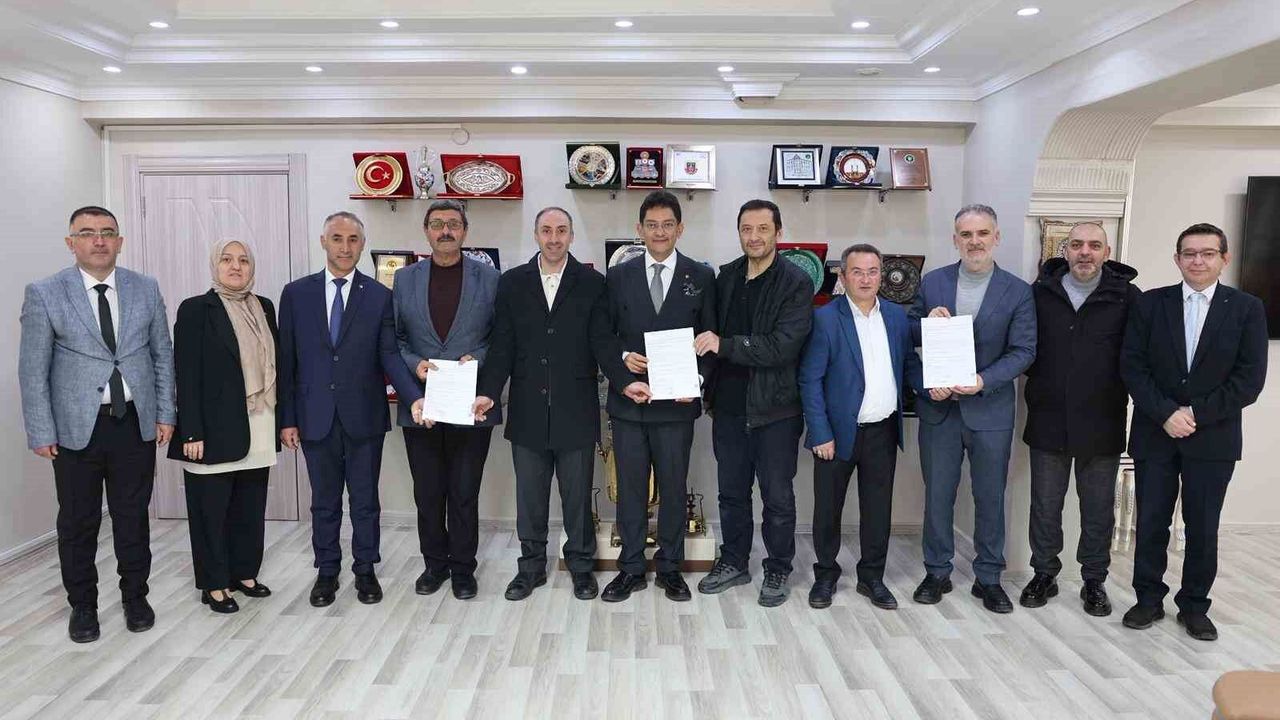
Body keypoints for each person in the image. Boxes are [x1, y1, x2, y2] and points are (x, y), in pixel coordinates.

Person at [474, 207, 648, 602]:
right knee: (530, 500)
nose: (554, 238)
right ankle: (531, 568)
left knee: (577, 498)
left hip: (576, 410)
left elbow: (602, 341)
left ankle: (581, 568)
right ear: (536, 234)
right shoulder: (512, 283)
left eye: (562, 231)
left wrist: (625, 382)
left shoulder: (592, 283)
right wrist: (488, 391)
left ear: (571, 236)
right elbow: (502, 345)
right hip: (528, 411)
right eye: (547, 231)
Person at [19, 205, 175, 642]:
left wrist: (165, 412)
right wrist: (41, 430)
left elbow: (162, 354)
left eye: (107, 232)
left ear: (120, 241)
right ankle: (83, 606)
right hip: (74, 431)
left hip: (133, 424)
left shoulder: (145, 288)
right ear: (71, 243)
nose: (99, 240)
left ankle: (135, 597)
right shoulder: (46, 293)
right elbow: (32, 369)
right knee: (78, 522)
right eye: (87, 233)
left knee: (132, 518)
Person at [1120, 222, 1268, 641]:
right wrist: (1166, 413)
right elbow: (1132, 366)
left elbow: (1249, 380)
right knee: (1151, 521)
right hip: (1155, 432)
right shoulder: (1150, 304)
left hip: (1214, 438)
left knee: (1202, 527)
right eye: (1189, 253)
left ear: (1224, 258)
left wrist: (1195, 414)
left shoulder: (1246, 309)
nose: (1197, 261)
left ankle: (1194, 605)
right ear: (1177, 259)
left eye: (1207, 253)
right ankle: (1148, 599)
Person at [277, 211, 421, 608]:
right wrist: (287, 419)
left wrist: (415, 397)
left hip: (364, 416)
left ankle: (365, 568)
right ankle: (327, 570)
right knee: (323, 501)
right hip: (314, 416)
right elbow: (287, 361)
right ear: (323, 242)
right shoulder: (296, 294)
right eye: (337, 238)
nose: (345, 247)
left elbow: (389, 355)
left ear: (362, 244)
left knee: (365, 500)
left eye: (353, 239)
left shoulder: (378, 295)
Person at [909, 204, 1036, 613]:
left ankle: (989, 578)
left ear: (996, 237)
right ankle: (937, 571)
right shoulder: (933, 282)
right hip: (940, 411)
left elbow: (1024, 351)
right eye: (966, 234)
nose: (974, 241)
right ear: (955, 240)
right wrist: (926, 322)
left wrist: (983, 380)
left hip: (990, 411)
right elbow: (909, 333)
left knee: (990, 497)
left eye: (982, 233)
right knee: (937, 496)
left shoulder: (1018, 291)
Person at [693, 199, 812, 607]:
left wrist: (725, 345)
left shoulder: (796, 282)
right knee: (731, 494)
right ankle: (734, 562)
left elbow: (782, 347)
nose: (755, 237)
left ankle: (778, 568)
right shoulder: (725, 276)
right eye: (747, 229)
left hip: (776, 410)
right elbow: (705, 336)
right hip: (728, 407)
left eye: (763, 229)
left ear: (778, 232)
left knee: (777, 497)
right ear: (739, 232)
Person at [601, 190, 717, 603]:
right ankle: (631, 568)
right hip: (630, 402)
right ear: (640, 229)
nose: (660, 232)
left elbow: (710, 338)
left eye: (668, 224)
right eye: (652, 225)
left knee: (673, 488)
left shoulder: (701, 276)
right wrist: (621, 362)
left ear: (680, 229)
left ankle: (670, 568)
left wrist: (696, 382)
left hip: (676, 407)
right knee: (631, 489)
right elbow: (603, 335)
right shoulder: (618, 276)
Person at [1020, 222, 1140, 616]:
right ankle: (1044, 574)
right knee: (1045, 506)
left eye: (1093, 245)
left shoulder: (1127, 297)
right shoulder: (1039, 293)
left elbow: (1139, 356)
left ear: (1107, 252)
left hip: (1103, 421)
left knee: (1098, 509)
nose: (1084, 252)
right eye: (1076, 245)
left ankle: (1094, 580)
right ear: (1065, 251)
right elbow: (1021, 345)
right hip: (1048, 419)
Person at [798, 243, 922, 611]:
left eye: (872, 271)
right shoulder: (825, 318)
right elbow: (809, 380)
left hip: (882, 431)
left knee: (878, 510)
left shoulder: (897, 317)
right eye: (857, 272)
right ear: (843, 276)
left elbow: (907, 367)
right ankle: (825, 574)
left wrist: (934, 385)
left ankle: (872, 577)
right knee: (828, 509)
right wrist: (820, 432)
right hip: (836, 435)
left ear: (881, 275)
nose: (866, 279)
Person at [393, 200, 500, 601]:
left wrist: (479, 358)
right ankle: (434, 565)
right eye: (437, 224)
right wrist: (414, 364)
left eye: (453, 224)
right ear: (426, 231)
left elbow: (501, 336)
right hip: (421, 403)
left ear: (465, 231)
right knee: (427, 492)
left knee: (464, 491)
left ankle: (463, 569)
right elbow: (395, 339)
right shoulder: (404, 279)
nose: (445, 231)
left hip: (470, 403)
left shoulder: (490, 278)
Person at [169, 240, 280, 614]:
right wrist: (191, 431)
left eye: (244, 260)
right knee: (211, 512)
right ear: (214, 266)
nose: (236, 267)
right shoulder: (196, 309)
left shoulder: (264, 307)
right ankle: (214, 583)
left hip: (259, 420)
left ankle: (244, 573)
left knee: (250, 506)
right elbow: (186, 373)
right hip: (211, 429)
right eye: (227, 260)